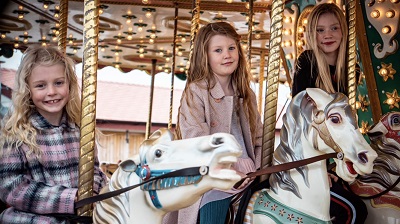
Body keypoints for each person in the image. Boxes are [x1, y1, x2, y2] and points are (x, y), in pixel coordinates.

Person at [163, 22, 263, 224]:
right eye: (218, 50)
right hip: (212, 177)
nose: (227, 55)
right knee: (213, 203)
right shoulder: (197, 91)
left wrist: (260, 168)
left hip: (249, 172)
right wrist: (226, 170)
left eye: (231, 48)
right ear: (205, 56)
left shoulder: (246, 93)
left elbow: (260, 137)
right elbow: (196, 139)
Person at [0, 46, 107, 224]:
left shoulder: (81, 130)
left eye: (58, 83)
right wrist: (70, 198)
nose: (51, 92)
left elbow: (94, 170)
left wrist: (92, 190)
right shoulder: (16, 134)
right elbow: (11, 187)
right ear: (28, 90)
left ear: (69, 84)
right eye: (41, 85)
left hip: (80, 217)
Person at [292, 3, 367, 224]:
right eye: (320, 30)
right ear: (312, 33)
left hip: (338, 159)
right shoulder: (307, 63)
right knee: (353, 211)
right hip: (308, 158)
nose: (328, 35)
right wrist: (316, 168)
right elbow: (300, 119)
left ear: (344, 30)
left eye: (334, 28)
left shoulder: (351, 69)